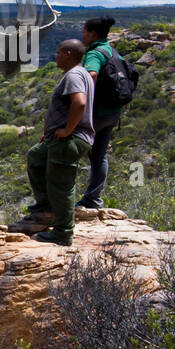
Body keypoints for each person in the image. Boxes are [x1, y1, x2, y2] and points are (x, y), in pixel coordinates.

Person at [22, 39, 95, 246]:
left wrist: (67, 130)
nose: (56, 56)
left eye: (59, 52)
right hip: (61, 138)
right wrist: (53, 131)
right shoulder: (82, 74)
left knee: (61, 186)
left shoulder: (73, 75)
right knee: (36, 156)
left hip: (70, 140)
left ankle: (63, 233)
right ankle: (46, 206)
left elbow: (79, 103)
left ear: (68, 53)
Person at [77, 15, 121, 208]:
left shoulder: (94, 54)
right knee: (100, 155)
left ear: (93, 34)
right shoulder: (111, 51)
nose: (82, 35)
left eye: (84, 31)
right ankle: (94, 198)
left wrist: (82, 102)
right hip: (113, 112)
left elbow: (92, 74)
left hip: (97, 113)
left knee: (68, 149)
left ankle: (57, 200)